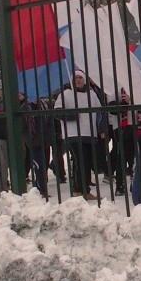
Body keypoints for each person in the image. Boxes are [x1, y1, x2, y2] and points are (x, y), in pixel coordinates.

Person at [55, 70, 104, 200]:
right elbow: (57, 112)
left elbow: (99, 113)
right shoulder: (65, 94)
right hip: (73, 134)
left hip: (89, 133)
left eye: (80, 78)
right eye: (76, 78)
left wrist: (101, 128)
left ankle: (85, 189)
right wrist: (71, 116)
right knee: (80, 160)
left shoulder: (92, 94)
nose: (78, 80)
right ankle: (78, 189)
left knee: (86, 162)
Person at [21, 94, 55, 199]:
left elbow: (49, 122)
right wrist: (29, 139)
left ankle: (41, 186)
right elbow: (23, 127)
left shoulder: (44, 105)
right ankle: (41, 189)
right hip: (34, 141)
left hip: (45, 140)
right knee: (38, 166)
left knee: (44, 165)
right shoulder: (25, 108)